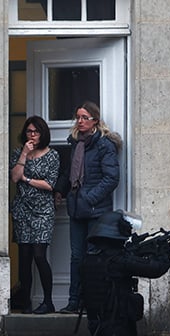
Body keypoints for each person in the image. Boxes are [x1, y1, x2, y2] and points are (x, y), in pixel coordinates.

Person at [58, 101, 121, 314]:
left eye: (85, 117)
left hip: (95, 210)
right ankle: (73, 302)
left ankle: (91, 302)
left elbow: (111, 178)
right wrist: (61, 190)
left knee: (94, 256)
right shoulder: (76, 143)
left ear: (95, 120)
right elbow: (69, 173)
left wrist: (89, 198)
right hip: (76, 209)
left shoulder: (104, 145)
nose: (80, 121)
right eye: (78, 117)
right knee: (77, 257)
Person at [9, 116, 60, 314]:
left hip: (43, 211)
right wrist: (24, 154)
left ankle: (48, 301)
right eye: (29, 131)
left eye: (36, 132)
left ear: (43, 133)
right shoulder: (18, 153)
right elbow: (14, 178)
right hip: (22, 210)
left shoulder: (52, 155)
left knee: (39, 255)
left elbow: (50, 184)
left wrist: (27, 179)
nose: (32, 135)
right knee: (24, 257)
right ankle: (26, 301)